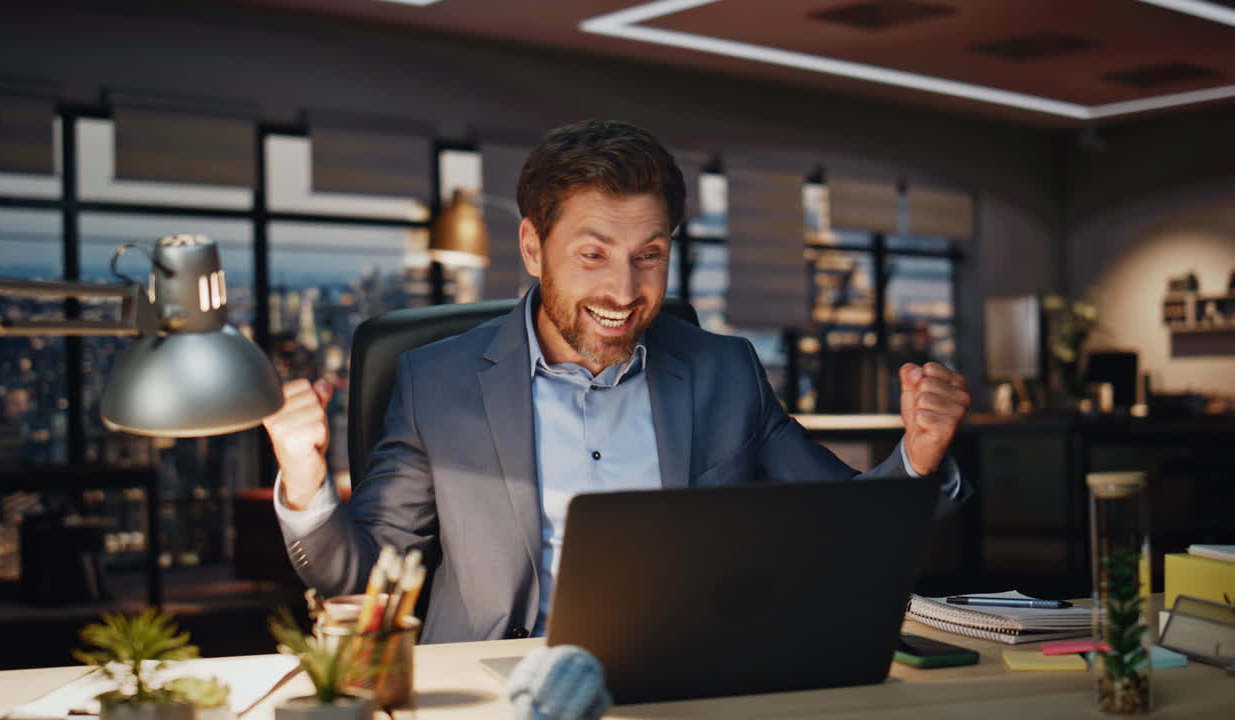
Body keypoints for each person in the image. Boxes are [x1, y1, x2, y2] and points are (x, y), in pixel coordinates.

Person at [263, 120, 972, 644]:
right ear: (534, 248)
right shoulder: (436, 383)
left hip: (688, 680)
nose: (624, 289)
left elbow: (847, 530)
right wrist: (303, 478)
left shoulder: (726, 372)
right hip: (498, 688)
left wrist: (919, 455)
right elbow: (361, 579)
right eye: (593, 254)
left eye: (648, 255)